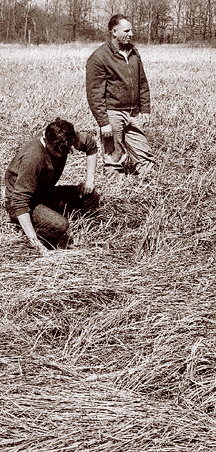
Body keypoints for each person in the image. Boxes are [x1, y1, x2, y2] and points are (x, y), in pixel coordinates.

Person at [4, 118, 99, 256]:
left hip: (44, 193)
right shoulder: (34, 158)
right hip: (21, 203)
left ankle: (72, 227)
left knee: (91, 197)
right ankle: (26, 228)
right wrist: (36, 244)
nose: (64, 155)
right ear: (49, 144)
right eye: (61, 152)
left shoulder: (65, 136)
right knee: (60, 225)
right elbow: (20, 201)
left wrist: (89, 181)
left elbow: (90, 145)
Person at [86, 14, 155, 179]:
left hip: (134, 113)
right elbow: (94, 94)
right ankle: (117, 192)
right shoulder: (99, 57)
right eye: (127, 30)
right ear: (114, 32)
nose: (131, 34)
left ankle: (148, 185)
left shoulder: (134, 53)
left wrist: (145, 109)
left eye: (131, 30)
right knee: (113, 161)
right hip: (113, 114)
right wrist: (104, 123)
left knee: (146, 160)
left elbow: (142, 83)